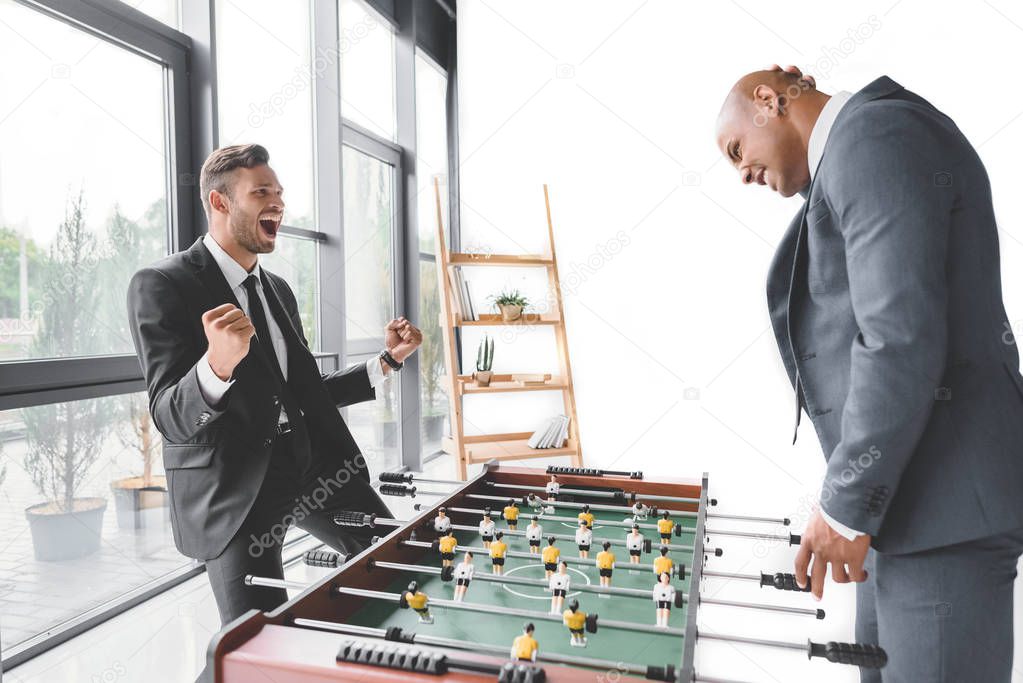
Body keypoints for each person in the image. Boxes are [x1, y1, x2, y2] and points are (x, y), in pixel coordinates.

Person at [715, 65, 1023, 682]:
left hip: (944, 515)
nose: (742, 173)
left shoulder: (873, 136)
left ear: (767, 102)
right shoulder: (859, 149)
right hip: (904, 512)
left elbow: (898, 338)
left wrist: (844, 509)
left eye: (736, 150)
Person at [126, 144, 423, 667]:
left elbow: (302, 392)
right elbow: (171, 416)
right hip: (236, 491)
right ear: (219, 202)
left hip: (310, 469)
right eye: (261, 192)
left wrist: (385, 363)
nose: (278, 203)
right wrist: (216, 365)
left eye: (280, 193)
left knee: (397, 562)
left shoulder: (277, 289)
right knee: (257, 647)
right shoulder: (163, 283)